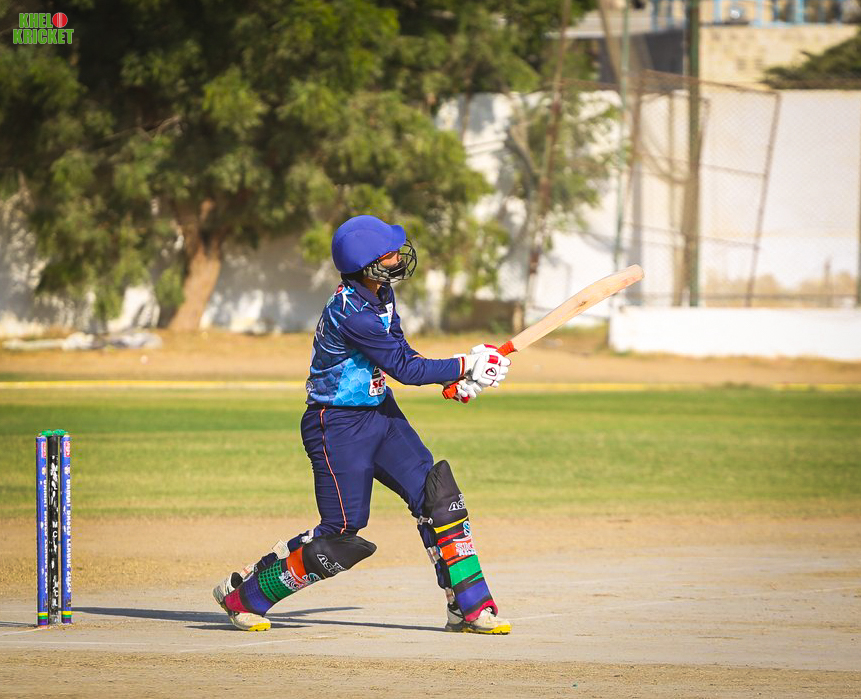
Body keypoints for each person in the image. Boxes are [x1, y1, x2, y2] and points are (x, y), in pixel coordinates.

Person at [213, 214, 511, 634]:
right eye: (389, 254)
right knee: (340, 536)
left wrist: (456, 379)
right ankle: (246, 596)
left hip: (380, 415)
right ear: (366, 264)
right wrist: (466, 363)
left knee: (438, 497)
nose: (397, 258)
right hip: (336, 425)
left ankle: (469, 607)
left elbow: (401, 351)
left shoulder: (381, 293)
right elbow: (404, 368)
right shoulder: (351, 312)